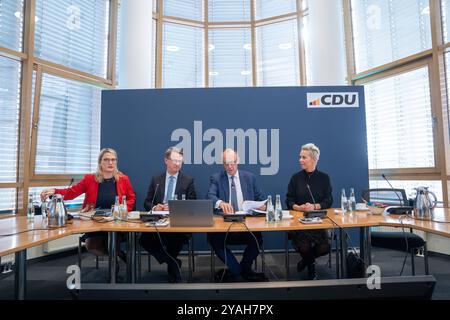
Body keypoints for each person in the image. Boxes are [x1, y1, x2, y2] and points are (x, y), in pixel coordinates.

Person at [40, 148, 136, 258]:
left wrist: (122, 210)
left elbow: (131, 198)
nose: (110, 163)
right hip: (95, 221)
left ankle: (115, 263)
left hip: (116, 221)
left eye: (113, 160)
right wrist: (55, 191)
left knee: (112, 242)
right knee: (92, 246)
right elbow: (71, 192)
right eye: (106, 160)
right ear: (100, 162)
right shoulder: (90, 179)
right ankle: (117, 257)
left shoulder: (123, 179)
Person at [207, 148, 266, 282]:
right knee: (214, 240)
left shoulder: (250, 177)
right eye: (226, 164)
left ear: (237, 161)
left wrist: (262, 206)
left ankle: (243, 267)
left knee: (257, 240)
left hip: (246, 223)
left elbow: (261, 199)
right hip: (225, 223)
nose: (230, 167)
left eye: (232, 163)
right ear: (223, 164)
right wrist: (220, 203)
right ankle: (239, 270)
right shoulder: (216, 178)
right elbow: (210, 196)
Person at [139, 147, 196, 283]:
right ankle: (173, 262)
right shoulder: (156, 179)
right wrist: (155, 207)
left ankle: (172, 268)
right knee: (143, 240)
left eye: (180, 161)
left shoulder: (187, 180)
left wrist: (176, 207)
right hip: (158, 220)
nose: (177, 164)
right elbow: (147, 202)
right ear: (166, 160)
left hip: (178, 221)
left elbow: (193, 203)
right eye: (175, 160)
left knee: (174, 238)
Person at [286, 143, 333, 280]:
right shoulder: (295, 178)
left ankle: (305, 261)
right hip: (300, 223)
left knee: (325, 248)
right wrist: (299, 208)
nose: (300, 160)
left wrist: (315, 206)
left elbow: (328, 200)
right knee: (304, 247)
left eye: (303, 157)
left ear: (313, 159)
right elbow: (288, 200)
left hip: (318, 222)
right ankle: (311, 265)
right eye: (300, 157)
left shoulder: (324, 178)